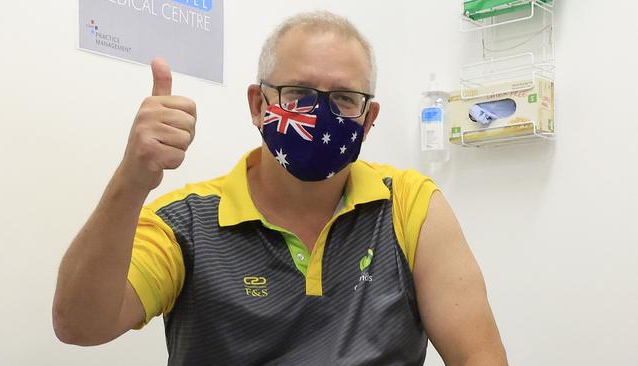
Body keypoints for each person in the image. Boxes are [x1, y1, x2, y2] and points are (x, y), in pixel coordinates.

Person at [53, 10, 508, 366]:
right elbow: (79, 325)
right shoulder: (184, 223)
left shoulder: (410, 205)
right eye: (297, 94)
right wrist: (132, 181)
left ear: (368, 120)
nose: (320, 115)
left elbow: (478, 354)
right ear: (259, 104)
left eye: (345, 99)